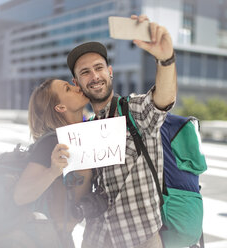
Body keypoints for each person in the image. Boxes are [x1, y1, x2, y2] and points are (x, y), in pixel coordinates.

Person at [66, 15, 177, 248]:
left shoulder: (134, 109)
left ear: (110, 72)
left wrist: (165, 59)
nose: (94, 76)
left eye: (99, 68)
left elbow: (163, 99)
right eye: (85, 72)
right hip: (96, 238)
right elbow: (83, 187)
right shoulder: (85, 130)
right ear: (77, 83)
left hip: (140, 238)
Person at [13, 78, 92, 247]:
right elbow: (20, 196)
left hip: (61, 237)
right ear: (60, 108)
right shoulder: (52, 142)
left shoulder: (83, 136)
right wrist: (52, 171)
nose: (76, 87)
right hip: (43, 239)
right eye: (68, 89)